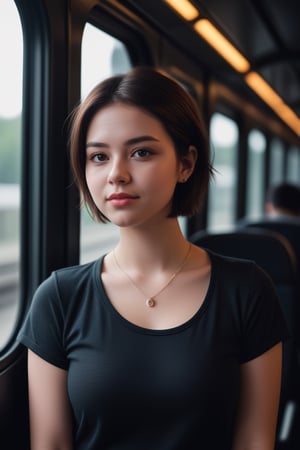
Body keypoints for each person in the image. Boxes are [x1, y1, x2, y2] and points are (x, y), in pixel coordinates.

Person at [17, 67, 288, 450]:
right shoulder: (59, 298)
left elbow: (255, 441)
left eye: (141, 152)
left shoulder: (246, 290)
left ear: (186, 164)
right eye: (98, 156)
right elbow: (51, 444)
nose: (116, 174)